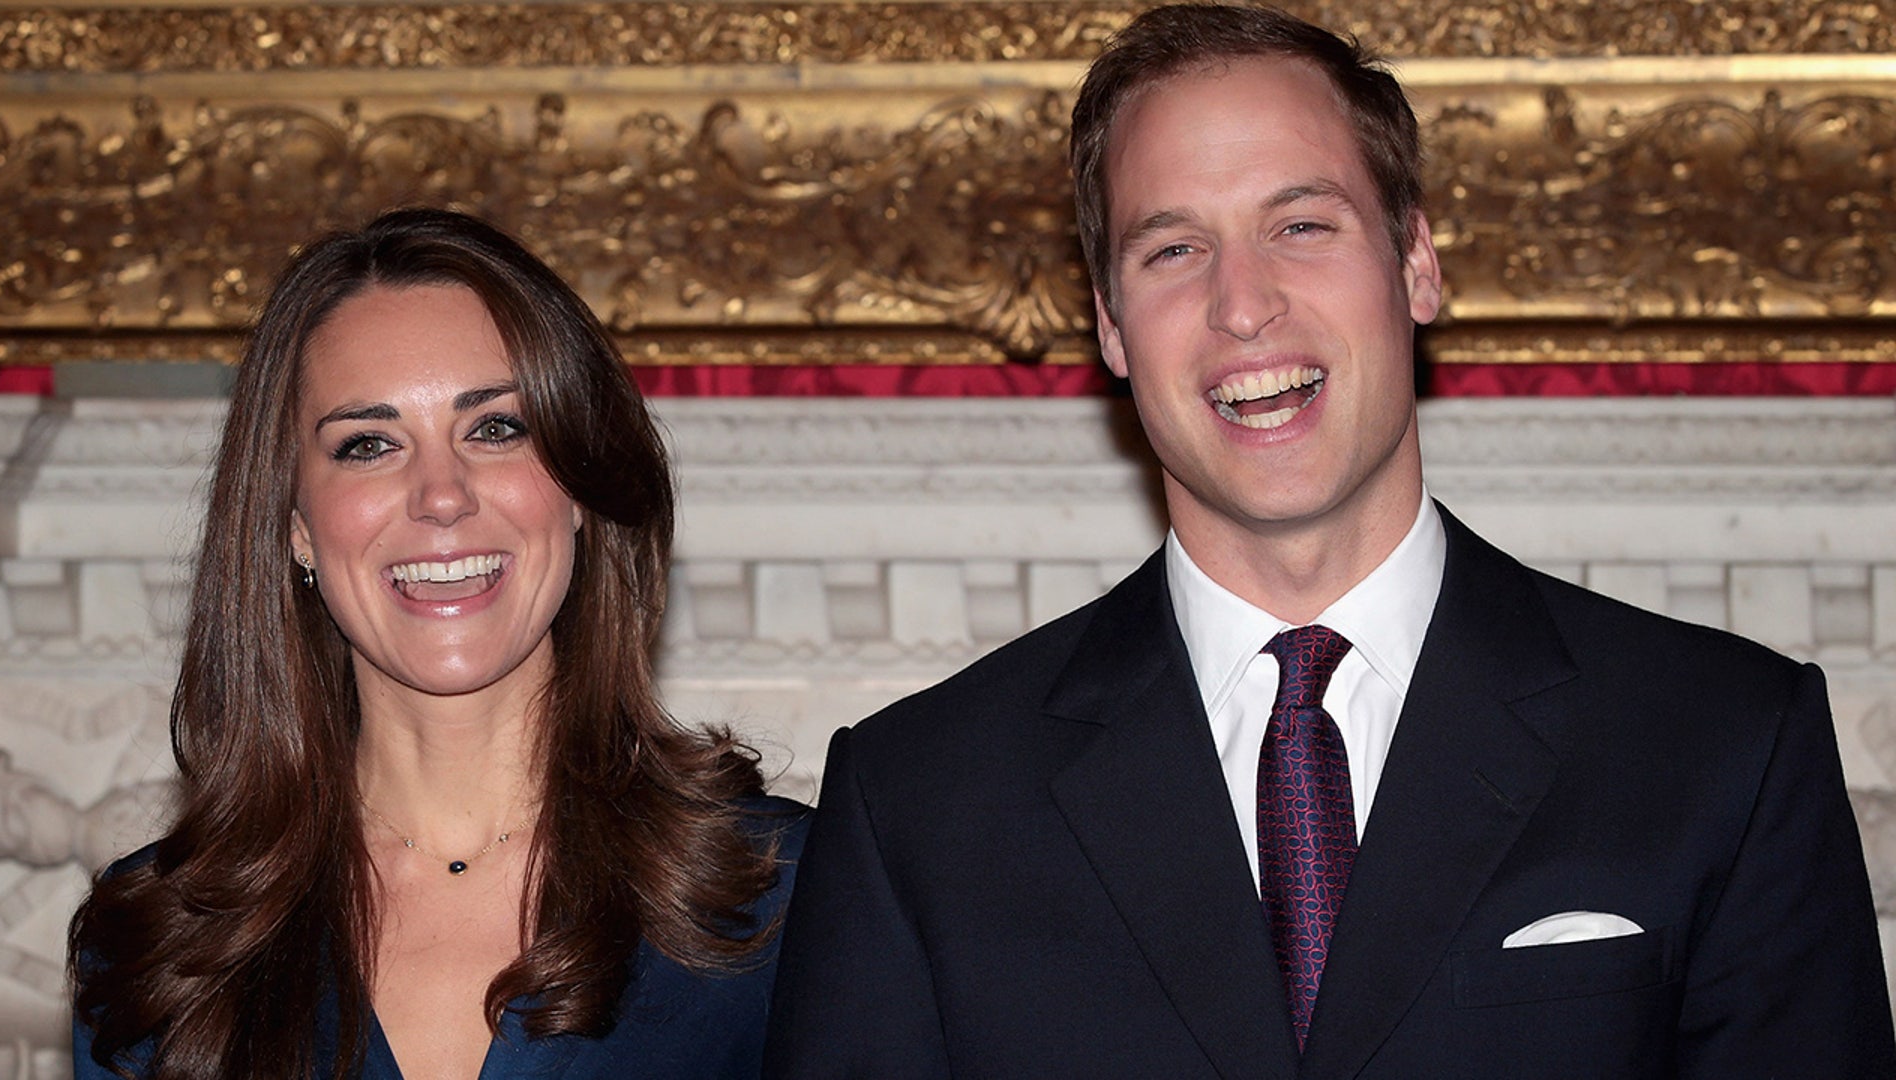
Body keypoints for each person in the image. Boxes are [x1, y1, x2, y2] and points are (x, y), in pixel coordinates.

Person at [765, 4, 1895, 1076]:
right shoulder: (919, 805)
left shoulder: (1726, 747)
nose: (1243, 304)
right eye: (1173, 250)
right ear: (1109, 324)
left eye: (1301, 225)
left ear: (1417, 264)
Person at [69, 208, 806, 1080]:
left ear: (577, 487)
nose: (441, 495)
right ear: (295, 525)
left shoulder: (789, 897)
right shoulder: (157, 945)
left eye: (495, 428)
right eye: (369, 444)